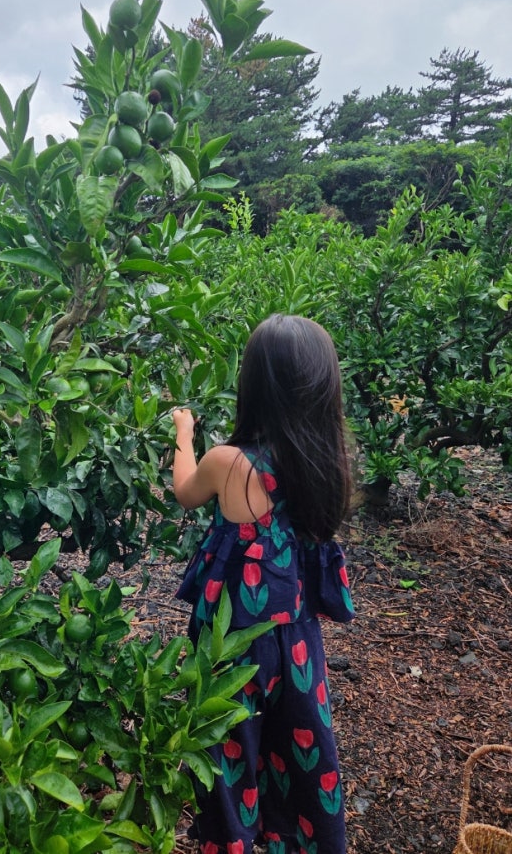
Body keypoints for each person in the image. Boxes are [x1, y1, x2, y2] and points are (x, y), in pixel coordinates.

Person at [172, 314, 355, 854]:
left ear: (253, 385)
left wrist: (184, 433)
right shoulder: (324, 462)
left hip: (233, 640)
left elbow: (185, 491)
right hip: (297, 639)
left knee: (228, 748)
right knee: (299, 743)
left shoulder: (229, 463)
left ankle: (231, 840)